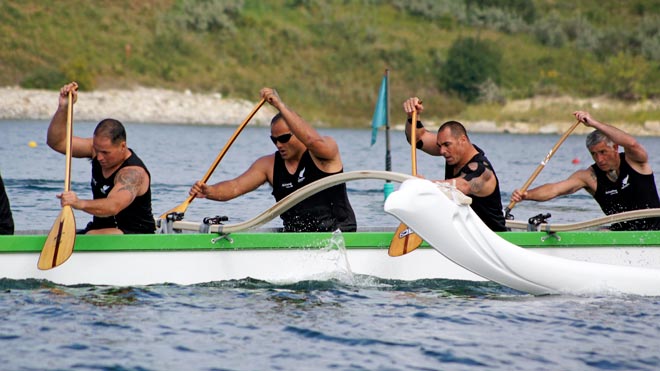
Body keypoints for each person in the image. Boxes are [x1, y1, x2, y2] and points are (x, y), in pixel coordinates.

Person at [189, 87, 357, 232]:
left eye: (284, 138)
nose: (278, 145)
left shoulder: (325, 153)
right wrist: (209, 191)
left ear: (298, 133)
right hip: (297, 239)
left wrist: (279, 105)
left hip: (339, 235)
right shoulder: (268, 165)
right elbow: (235, 187)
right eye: (274, 140)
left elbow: (312, 140)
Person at [511, 111, 660, 231]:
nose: (599, 159)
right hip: (621, 233)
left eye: (603, 152)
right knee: (602, 232)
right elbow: (555, 189)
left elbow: (632, 143)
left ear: (615, 147)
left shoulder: (635, 161)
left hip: (655, 230)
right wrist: (526, 195)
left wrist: (594, 123)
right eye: (594, 154)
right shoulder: (589, 176)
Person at [46, 82, 156, 234]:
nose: (99, 157)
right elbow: (57, 142)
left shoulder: (133, 173)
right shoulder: (96, 150)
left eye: (105, 152)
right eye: (96, 150)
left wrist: (79, 203)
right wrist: (64, 108)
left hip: (134, 235)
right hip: (100, 230)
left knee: (91, 235)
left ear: (122, 146)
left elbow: (113, 206)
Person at [402, 97, 507, 231]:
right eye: (440, 145)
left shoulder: (483, 172)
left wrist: (425, 186)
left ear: (462, 140)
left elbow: (462, 186)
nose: (442, 151)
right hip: (465, 235)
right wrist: (412, 117)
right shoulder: (453, 152)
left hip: (494, 240)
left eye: (447, 145)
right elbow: (417, 138)